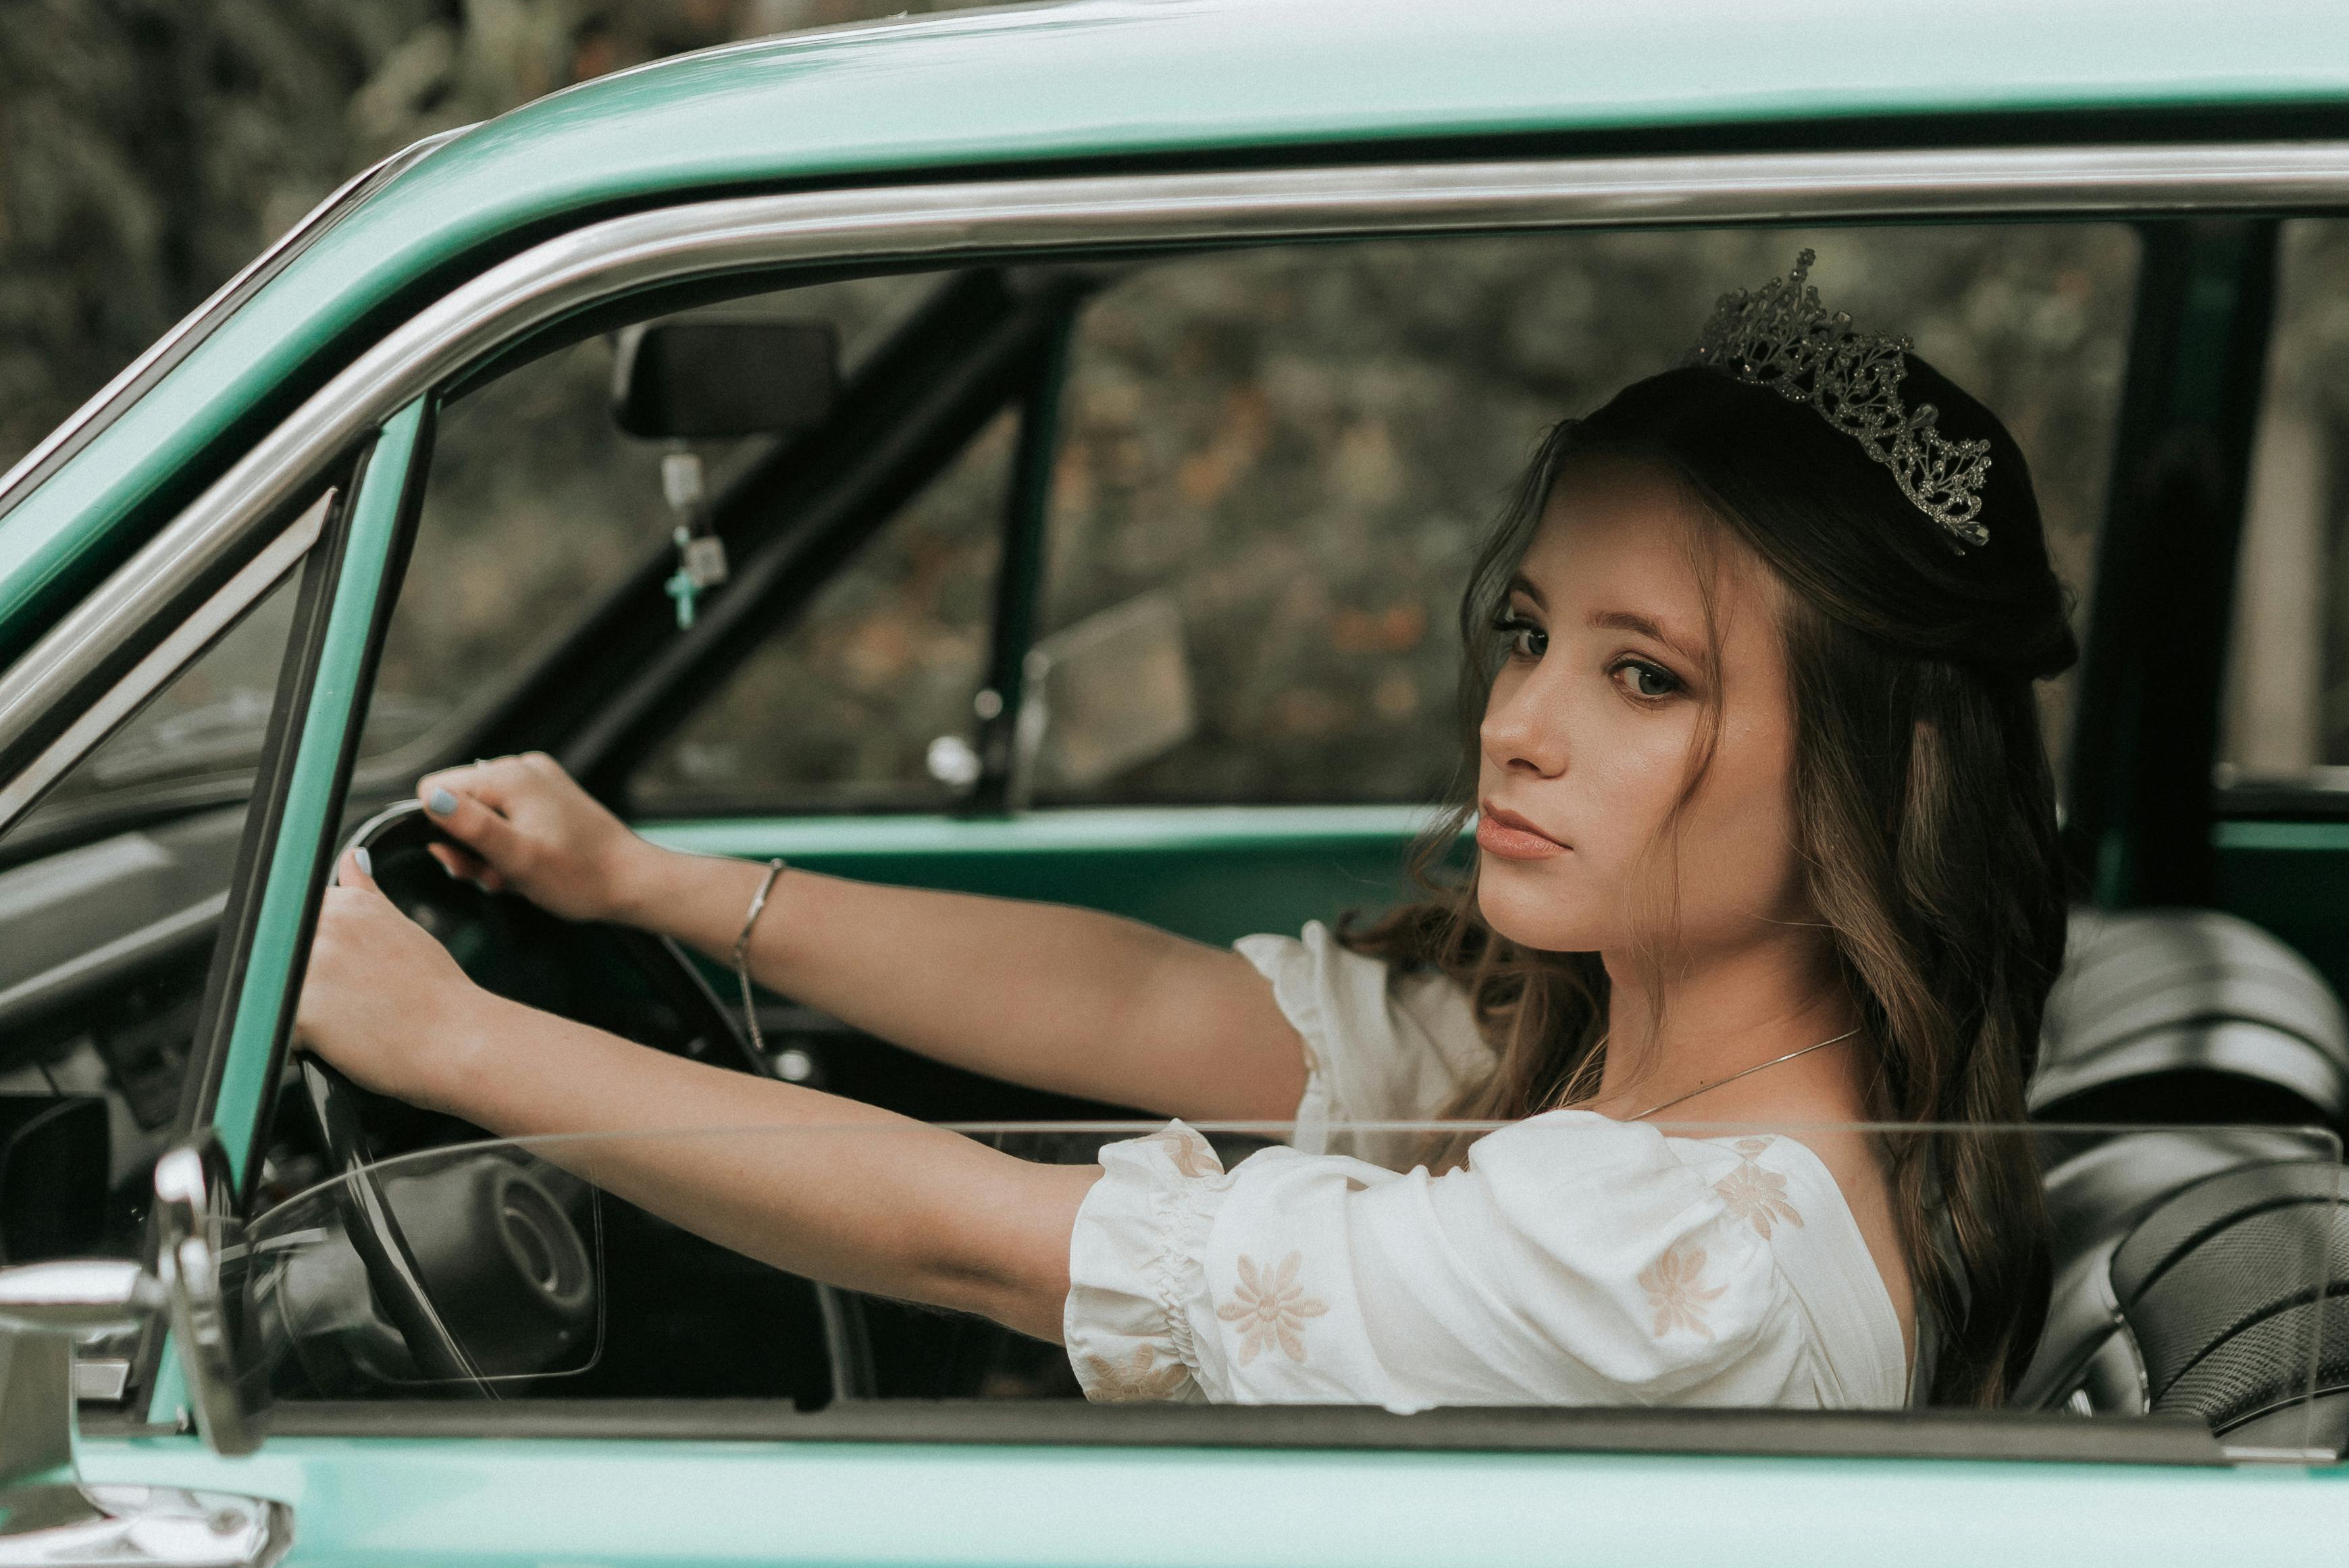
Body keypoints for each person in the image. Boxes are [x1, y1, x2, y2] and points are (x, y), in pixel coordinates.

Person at [294, 257, 2077, 1411]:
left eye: (1648, 679)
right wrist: (643, 884)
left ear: (1880, 777)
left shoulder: (1661, 1263)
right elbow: (1146, 1008)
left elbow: (986, 1243)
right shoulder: (1654, 1069)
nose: (1515, 725)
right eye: (1531, 635)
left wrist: (456, 1042)